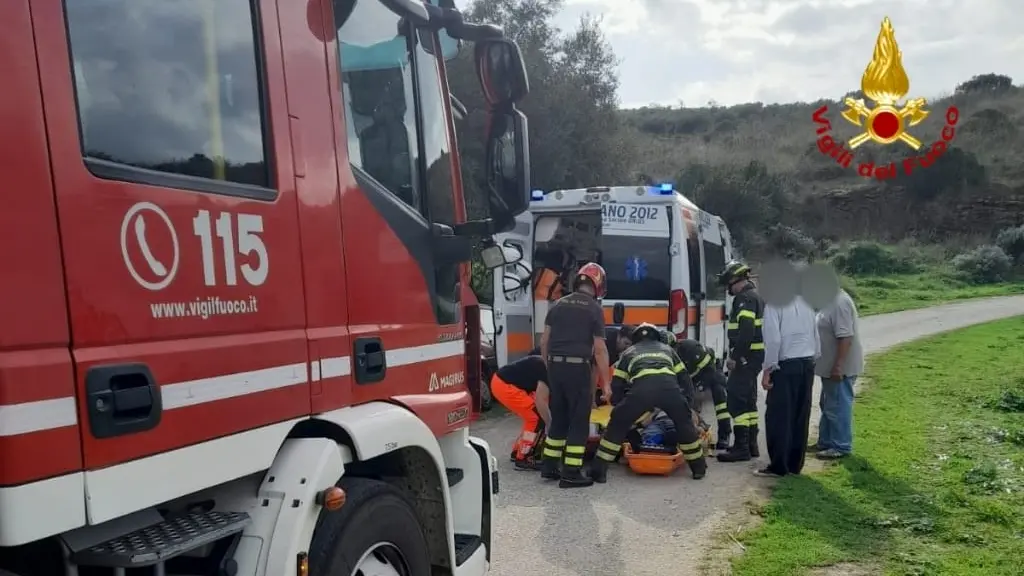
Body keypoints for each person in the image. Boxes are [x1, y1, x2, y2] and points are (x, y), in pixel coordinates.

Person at [589, 323, 708, 482]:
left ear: (635, 339)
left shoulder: (628, 353)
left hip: (641, 392)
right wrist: (686, 404)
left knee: (617, 426)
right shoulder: (669, 350)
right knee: (685, 426)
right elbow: (685, 378)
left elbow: (618, 384)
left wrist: (620, 406)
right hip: (670, 392)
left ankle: (599, 472)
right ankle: (699, 468)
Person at [539, 262, 612, 488]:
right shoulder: (594, 310)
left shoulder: (557, 305)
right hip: (577, 368)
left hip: (555, 368)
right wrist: (606, 383)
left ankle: (549, 466)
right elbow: (599, 349)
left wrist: (549, 367)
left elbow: (544, 341)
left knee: (559, 418)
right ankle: (571, 472)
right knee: (579, 421)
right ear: (598, 285)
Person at [756, 293, 820, 477]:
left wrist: (768, 370)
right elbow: (816, 335)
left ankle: (779, 466)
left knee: (779, 417)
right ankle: (795, 464)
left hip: (785, 367)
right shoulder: (807, 302)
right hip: (807, 363)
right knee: (800, 415)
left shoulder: (774, 305)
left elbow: (774, 340)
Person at [716, 261, 766, 463]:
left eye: (728, 283)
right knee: (749, 400)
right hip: (753, 358)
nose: (728, 288)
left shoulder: (744, 299)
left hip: (745, 358)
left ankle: (741, 448)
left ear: (736, 280)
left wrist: (736, 357)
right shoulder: (755, 296)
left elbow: (746, 331)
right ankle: (751, 445)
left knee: (736, 400)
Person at [812, 288, 864, 460]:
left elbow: (845, 337)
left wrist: (838, 366)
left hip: (841, 368)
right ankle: (826, 441)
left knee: (838, 405)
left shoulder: (839, 302)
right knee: (827, 404)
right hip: (829, 368)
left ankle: (840, 445)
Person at [490, 351, 551, 471]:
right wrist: (549, 423)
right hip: (506, 385)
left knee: (532, 417)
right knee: (535, 418)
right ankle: (523, 457)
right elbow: (541, 400)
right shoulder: (548, 370)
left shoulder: (545, 362)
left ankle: (517, 450)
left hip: (501, 382)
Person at [674, 336, 733, 451]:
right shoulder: (670, 356)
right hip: (693, 377)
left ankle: (724, 436)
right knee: (688, 405)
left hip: (712, 370)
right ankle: (696, 429)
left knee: (721, 403)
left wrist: (701, 388)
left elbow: (709, 369)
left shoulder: (691, 348)